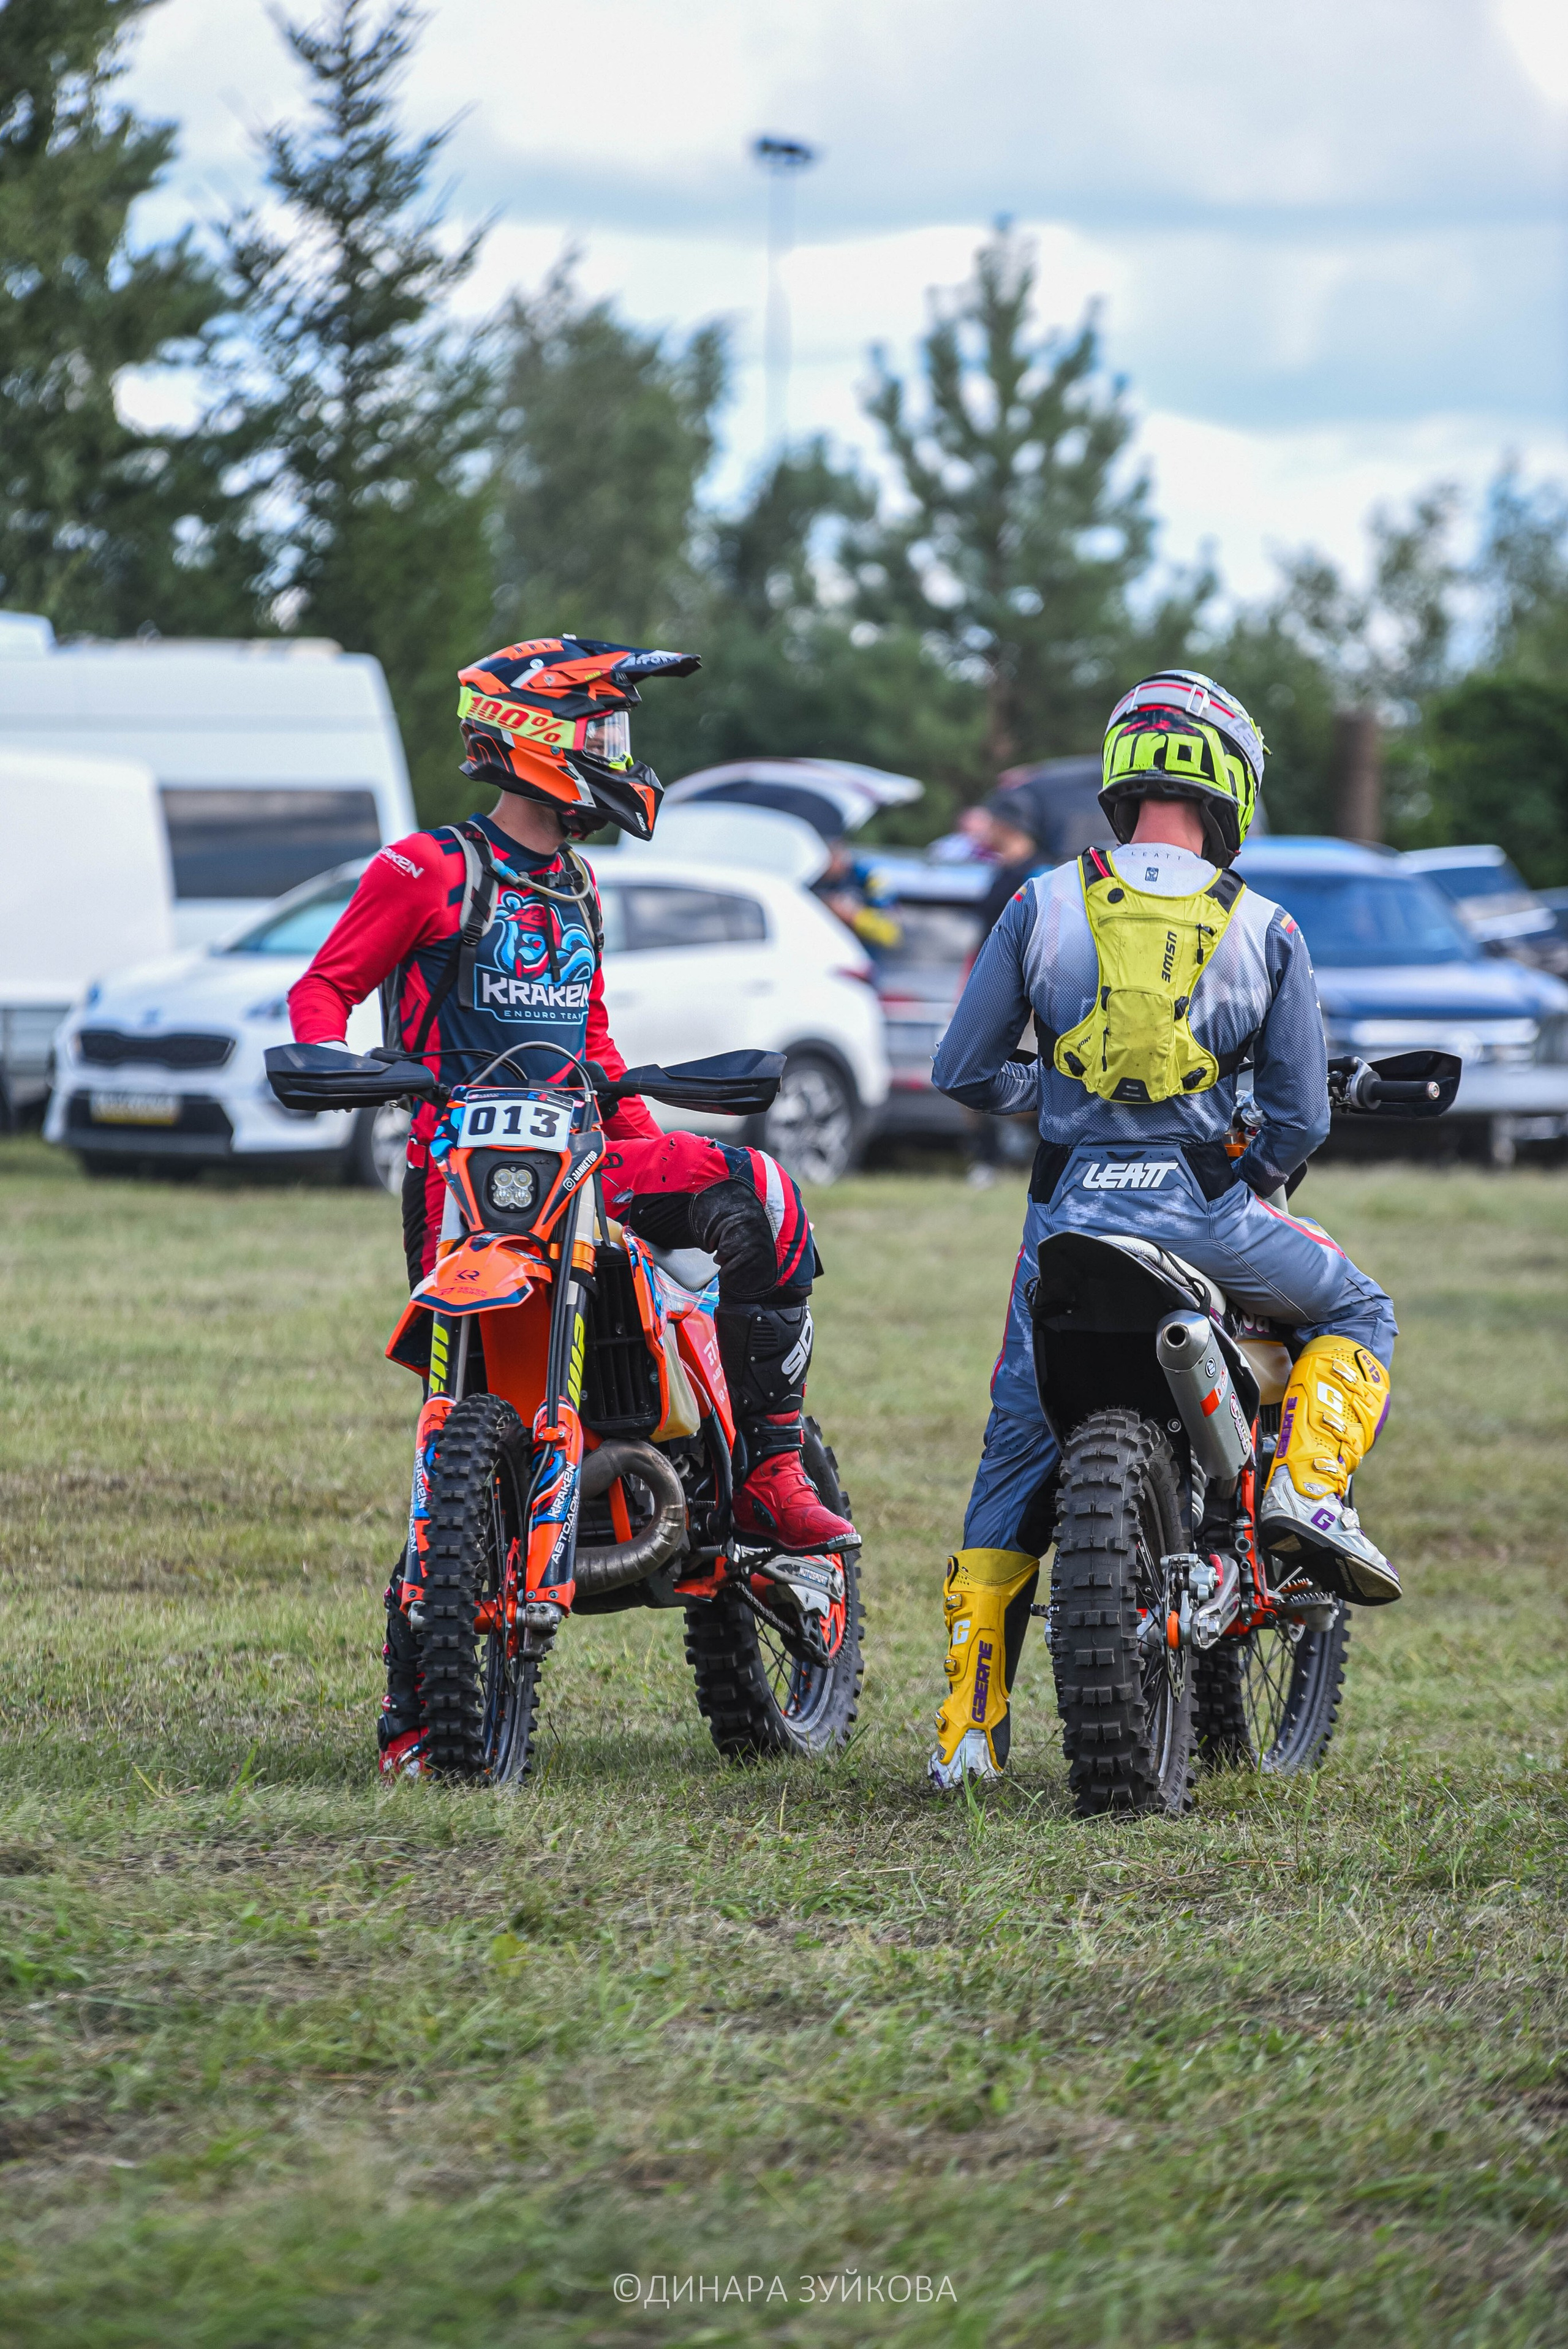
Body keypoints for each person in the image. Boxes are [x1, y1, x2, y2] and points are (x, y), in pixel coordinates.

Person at [287, 635, 855, 1778]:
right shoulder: (425, 869)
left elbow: (588, 1042)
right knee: (456, 1416)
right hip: (460, 1178)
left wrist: (650, 1153)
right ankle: (418, 1710)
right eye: (603, 733)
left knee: (765, 1196)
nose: (617, 756)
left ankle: (771, 1470)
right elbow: (325, 988)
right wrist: (332, 1066)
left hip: (588, 1165)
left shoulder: (577, 886)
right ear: (540, 739)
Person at [925, 669, 1400, 1789]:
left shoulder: (1038, 903)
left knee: (1016, 1446)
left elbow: (961, 1070)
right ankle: (1304, 1490)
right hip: (1207, 1215)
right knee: (1361, 1307)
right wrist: (1255, 1166)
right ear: (1231, 780)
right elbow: (1300, 1115)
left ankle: (966, 1739)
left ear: (1121, 776)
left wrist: (1060, 1112)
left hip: (1068, 1218)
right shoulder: (1265, 926)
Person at [963, 789, 1050, 1189]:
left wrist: (1036, 1003)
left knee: (1031, 1082)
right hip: (989, 992)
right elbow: (982, 941)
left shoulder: (1038, 877)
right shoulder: (999, 872)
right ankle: (988, 1159)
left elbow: (1045, 943)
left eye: (992, 821)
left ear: (1008, 825)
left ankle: (1038, 1155)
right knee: (966, 1070)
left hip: (1026, 998)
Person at [814, 836, 902, 956]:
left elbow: (892, 933)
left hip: (862, 958)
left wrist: (854, 917)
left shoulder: (870, 878)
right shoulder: (814, 880)